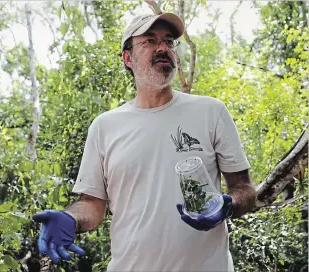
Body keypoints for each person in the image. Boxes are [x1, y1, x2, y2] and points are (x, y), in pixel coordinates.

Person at [33, 12, 257, 271]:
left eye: (169, 41)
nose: (163, 48)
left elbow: (245, 189)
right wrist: (70, 218)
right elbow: (93, 205)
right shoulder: (105, 127)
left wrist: (227, 205)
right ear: (128, 58)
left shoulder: (211, 112)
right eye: (150, 41)